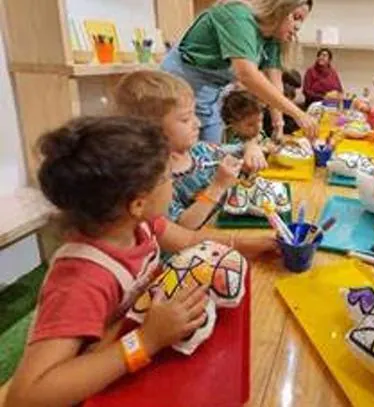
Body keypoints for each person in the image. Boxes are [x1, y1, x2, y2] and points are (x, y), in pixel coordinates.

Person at [5, 116, 276, 407]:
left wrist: (256, 244)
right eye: (167, 175)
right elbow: (26, 397)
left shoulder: (139, 225)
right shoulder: (82, 279)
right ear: (137, 203)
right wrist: (146, 341)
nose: (173, 180)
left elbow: (186, 240)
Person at [112, 72, 277, 246]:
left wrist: (252, 148)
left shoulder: (201, 150)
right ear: (152, 131)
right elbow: (184, 226)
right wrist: (217, 187)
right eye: (185, 119)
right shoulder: (158, 181)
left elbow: (241, 148)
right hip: (197, 249)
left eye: (194, 115)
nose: (197, 123)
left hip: (225, 233)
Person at [161, 0, 317, 144]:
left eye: (302, 21)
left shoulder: (272, 37)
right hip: (179, 84)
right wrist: (298, 114)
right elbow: (247, 75)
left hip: (211, 92)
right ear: (279, 9)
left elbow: (275, 83)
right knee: (181, 150)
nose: (297, 27)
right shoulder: (238, 17)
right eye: (296, 17)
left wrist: (279, 127)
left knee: (209, 150)